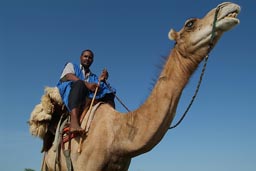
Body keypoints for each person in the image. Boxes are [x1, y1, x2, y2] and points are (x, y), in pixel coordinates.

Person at [57, 49, 116, 133]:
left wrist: (102, 79)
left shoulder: (93, 76)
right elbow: (68, 76)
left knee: (108, 92)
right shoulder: (71, 65)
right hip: (71, 91)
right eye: (85, 56)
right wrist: (87, 85)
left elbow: (97, 86)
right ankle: (74, 122)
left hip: (86, 95)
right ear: (81, 57)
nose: (87, 59)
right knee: (80, 83)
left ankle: (111, 120)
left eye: (90, 58)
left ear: (92, 60)